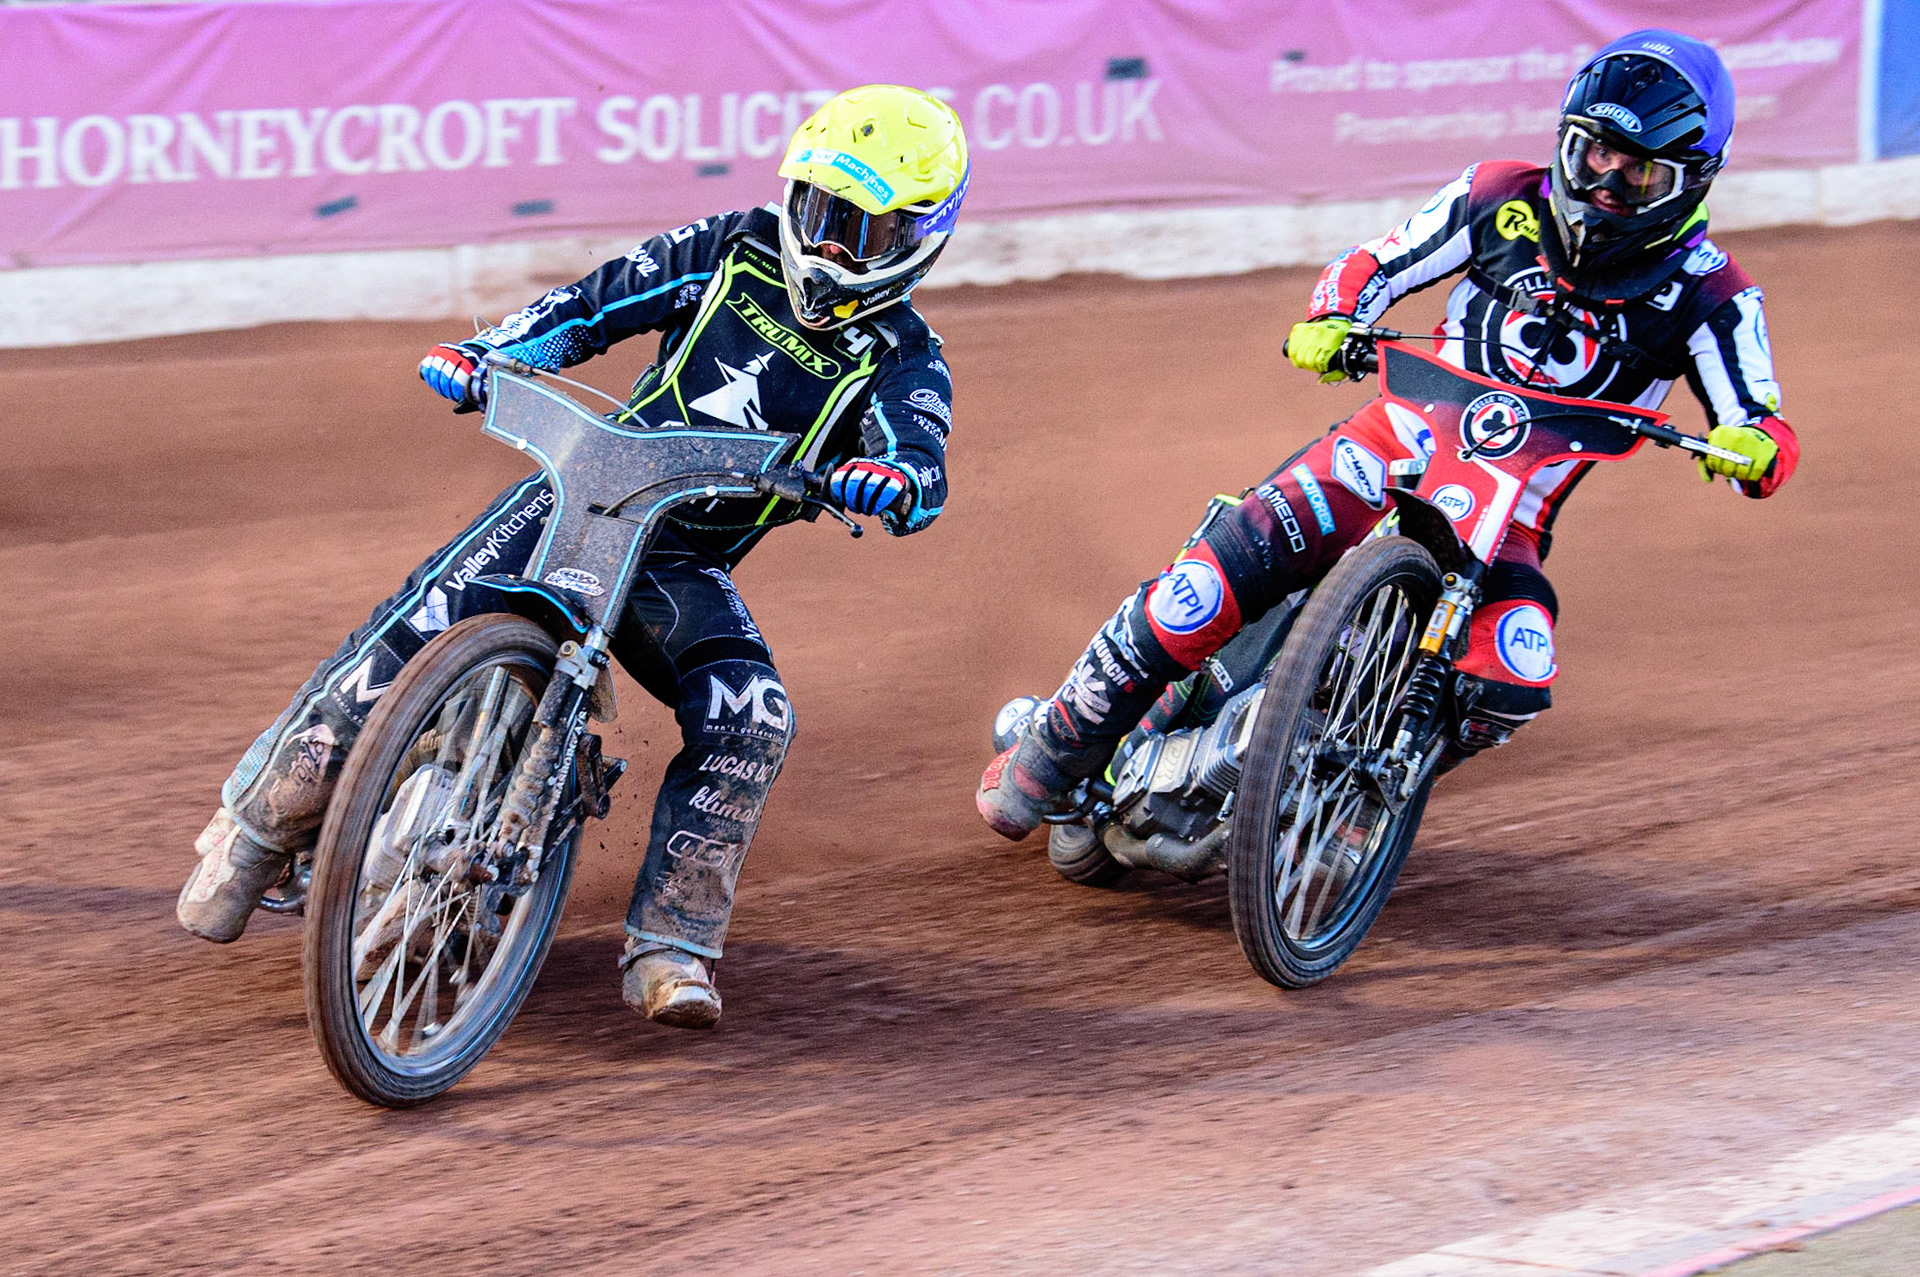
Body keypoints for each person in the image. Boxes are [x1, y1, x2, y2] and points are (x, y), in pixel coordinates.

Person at [179, 84, 969, 1030]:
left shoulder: (907, 357)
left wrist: (891, 483)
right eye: (819, 211)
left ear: (922, 237)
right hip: (579, 494)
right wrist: (491, 352)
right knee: (419, 618)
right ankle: (256, 826)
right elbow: (593, 306)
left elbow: (920, 462)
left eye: (862, 231)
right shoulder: (732, 245)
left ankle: (674, 942)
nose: (830, 244)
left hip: (678, 563)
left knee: (753, 717)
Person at [977, 29, 1798, 839]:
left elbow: (1760, 420)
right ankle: (1053, 747)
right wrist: (1335, 316)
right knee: (1209, 581)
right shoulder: (1496, 195)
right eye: (1591, 155)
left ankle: (1340, 792)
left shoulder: (1716, 295)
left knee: (1515, 675)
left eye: (1638, 170)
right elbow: (1377, 261)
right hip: (1388, 443)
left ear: (1692, 181)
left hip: (1509, 522)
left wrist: (1755, 450)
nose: (1605, 184)